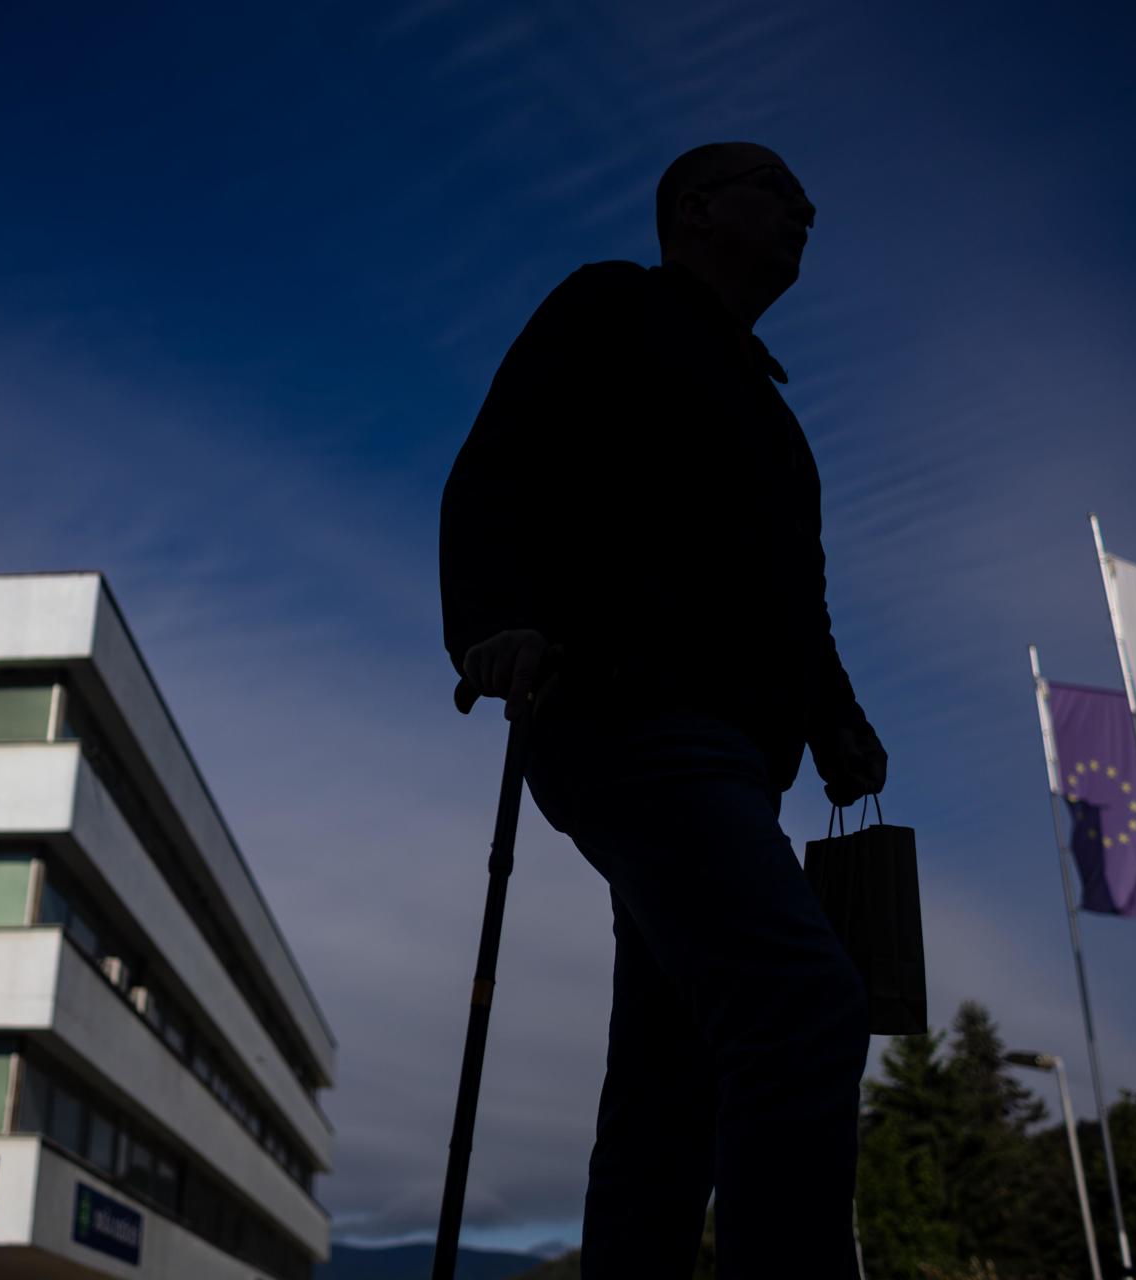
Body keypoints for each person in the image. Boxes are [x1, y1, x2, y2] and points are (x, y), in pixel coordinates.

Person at [438, 141, 886, 1277]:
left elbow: (797, 597)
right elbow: (496, 468)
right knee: (799, 1003)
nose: (806, 209)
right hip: (625, 714)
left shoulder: (774, 416)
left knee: (675, 1069)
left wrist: (835, 714)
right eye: (779, 192)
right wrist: (492, 619)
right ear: (697, 209)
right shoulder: (612, 307)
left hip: (737, 757)